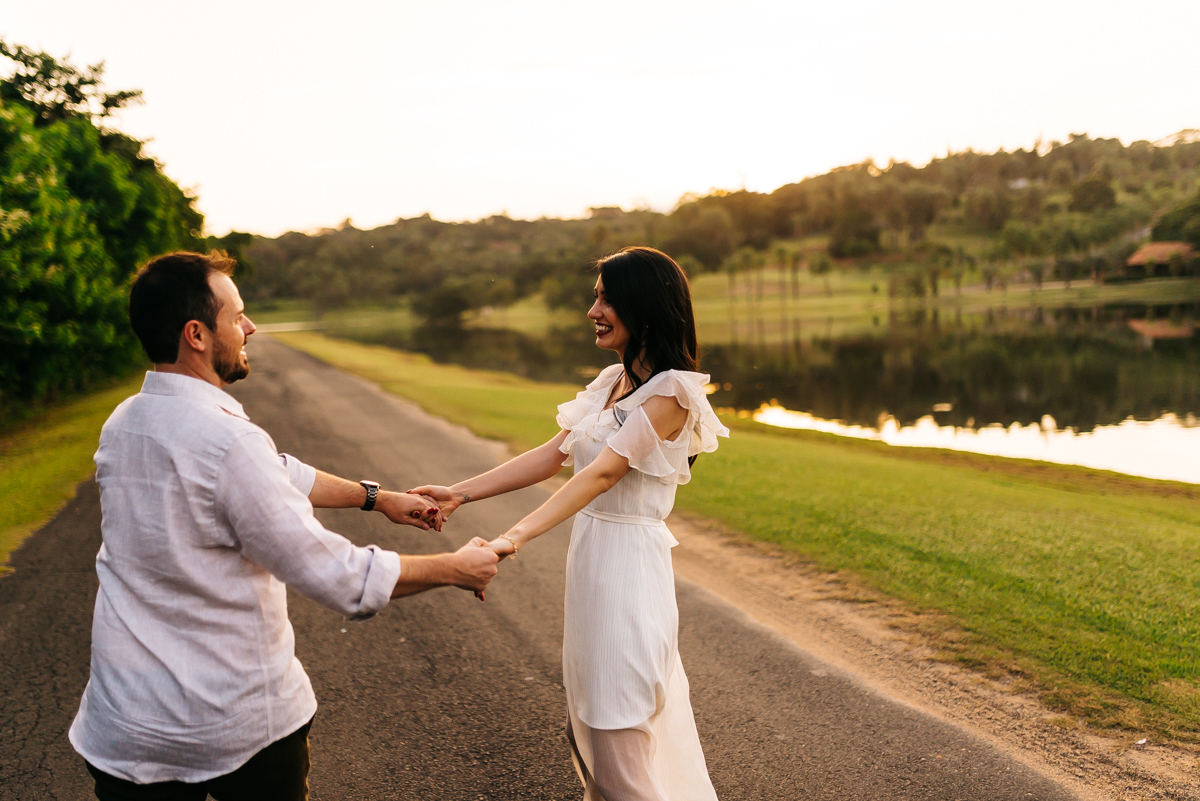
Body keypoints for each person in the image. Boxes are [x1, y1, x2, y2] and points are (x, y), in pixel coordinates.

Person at [69, 251, 500, 801]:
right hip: (232, 730)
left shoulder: (125, 422)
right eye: (238, 316)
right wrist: (456, 569)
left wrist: (377, 498)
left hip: (123, 728)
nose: (249, 327)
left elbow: (273, 473)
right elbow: (339, 577)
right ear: (197, 334)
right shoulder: (228, 442)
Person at [412, 246, 729, 800]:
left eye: (606, 297)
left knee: (616, 733)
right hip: (594, 563)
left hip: (629, 571)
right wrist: (459, 493)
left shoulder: (674, 392)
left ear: (645, 306)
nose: (593, 309)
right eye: (596, 296)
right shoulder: (612, 380)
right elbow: (552, 455)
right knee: (589, 724)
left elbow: (602, 475)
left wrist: (514, 537)